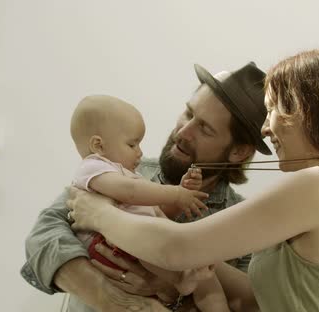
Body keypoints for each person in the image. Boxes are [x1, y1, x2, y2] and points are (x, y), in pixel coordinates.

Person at [67, 49, 319, 311]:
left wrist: (98, 213)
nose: (266, 127)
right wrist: (191, 264)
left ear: (308, 110)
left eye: (273, 109)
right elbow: (255, 298)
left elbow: (176, 248)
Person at [22, 62, 273, 311]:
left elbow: (247, 303)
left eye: (205, 128)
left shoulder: (245, 225)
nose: (183, 131)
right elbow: (43, 237)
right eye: (188, 113)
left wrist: (169, 290)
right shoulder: (121, 171)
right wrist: (111, 297)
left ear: (238, 151)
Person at [69, 94, 229, 309]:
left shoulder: (122, 171)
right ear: (98, 145)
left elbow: (148, 206)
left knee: (203, 269)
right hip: (110, 247)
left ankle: (199, 289)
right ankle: (180, 278)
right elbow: (131, 192)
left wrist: (181, 192)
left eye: (206, 129)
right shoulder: (94, 167)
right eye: (132, 144)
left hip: (138, 238)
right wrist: (175, 194)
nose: (140, 152)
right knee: (152, 245)